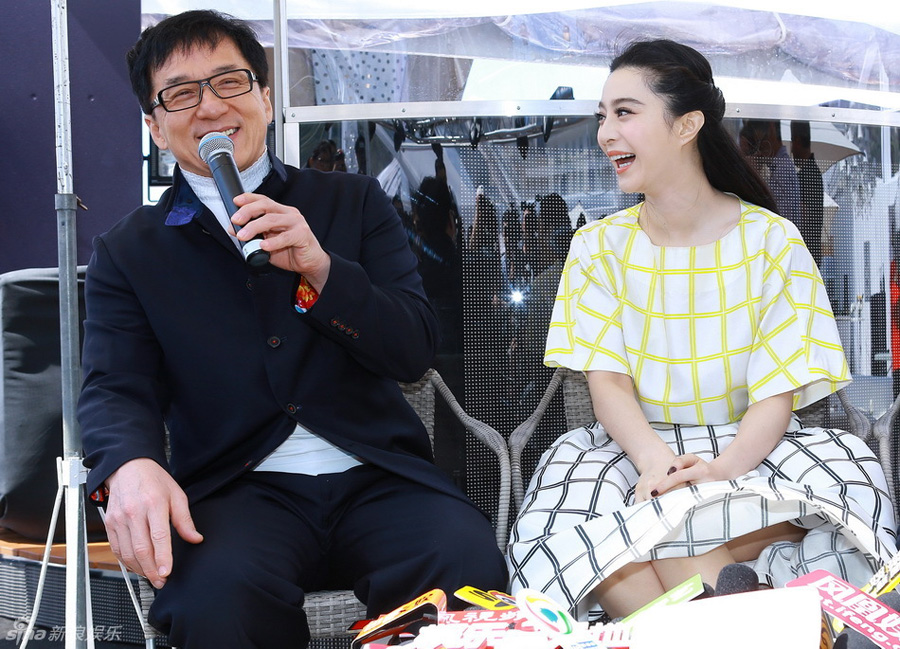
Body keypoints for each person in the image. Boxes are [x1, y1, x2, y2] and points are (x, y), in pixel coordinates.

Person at [78, 10, 507, 648]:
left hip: (378, 475)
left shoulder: (351, 201)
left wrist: (323, 270)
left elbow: (413, 349)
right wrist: (129, 463)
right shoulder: (129, 250)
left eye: (230, 82)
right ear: (155, 127)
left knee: (464, 571)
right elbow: (116, 384)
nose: (211, 108)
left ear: (266, 97)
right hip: (238, 491)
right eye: (182, 94)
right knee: (215, 601)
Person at [508, 39, 896, 623]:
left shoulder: (773, 241)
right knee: (580, 538)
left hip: (751, 445)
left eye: (624, 112)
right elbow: (607, 382)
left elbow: (777, 391)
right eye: (601, 116)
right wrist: (654, 459)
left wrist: (724, 466)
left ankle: (700, 604)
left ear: (687, 124)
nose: (605, 132)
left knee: (843, 514)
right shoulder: (597, 248)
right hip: (635, 448)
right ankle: (721, 606)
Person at [791, 120, 825, 265]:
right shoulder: (813, 172)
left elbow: (803, 214)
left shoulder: (808, 175)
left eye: (792, 142)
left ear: (798, 140)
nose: (791, 150)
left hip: (805, 255)